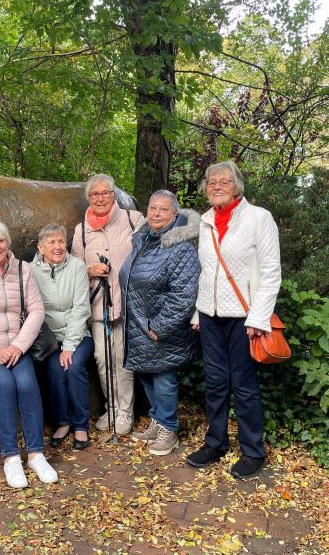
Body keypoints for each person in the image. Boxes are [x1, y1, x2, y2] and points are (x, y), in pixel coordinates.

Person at [187, 161, 281, 479]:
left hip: (244, 318)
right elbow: (205, 273)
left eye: (224, 181)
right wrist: (199, 311)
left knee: (243, 386)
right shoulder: (206, 221)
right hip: (211, 317)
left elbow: (271, 273)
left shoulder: (259, 219)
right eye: (212, 181)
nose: (216, 186)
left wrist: (259, 317)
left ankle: (253, 451)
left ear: (237, 185)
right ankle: (216, 443)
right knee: (214, 383)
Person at [0, 221, 59, 489]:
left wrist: (18, 346)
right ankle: (11, 457)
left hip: (18, 346)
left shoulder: (23, 269)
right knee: (4, 385)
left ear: (8, 243)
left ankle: (36, 454)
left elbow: (37, 310)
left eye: (0, 241)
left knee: (27, 385)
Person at [120, 191, 201, 456]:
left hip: (160, 328)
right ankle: (157, 421)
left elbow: (184, 295)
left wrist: (160, 326)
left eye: (163, 210)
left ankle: (169, 428)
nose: (156, 214)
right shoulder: (143, 241)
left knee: (164, 377)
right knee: (146, 374)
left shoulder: (181, 248)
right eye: (152, 208)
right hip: (140, 325)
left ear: (174, 214)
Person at [71, 173, 145, 435]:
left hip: (127, 304)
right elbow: (73, 267)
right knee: (102, 359)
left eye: (105, 193)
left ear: (114, 195)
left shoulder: (132, 220)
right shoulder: (81, 230)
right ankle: (111, 408)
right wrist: (89, 269)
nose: (100, 198)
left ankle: (125, 412)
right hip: (98, 305)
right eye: (94, 194)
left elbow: (148, 256)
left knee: (123, 358)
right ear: (88, 198)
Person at [30, 224, 93, 450]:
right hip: (48, 339)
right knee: (55, 369)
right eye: (52, 242)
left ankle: (81, 424)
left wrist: (69, 346)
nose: (58, 247)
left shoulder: (77, 266)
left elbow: (81, 309)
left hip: (77, 335)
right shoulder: (30, 270)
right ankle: (62, 422)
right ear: (41, 247)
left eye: (61, 242)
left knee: (74, 366)